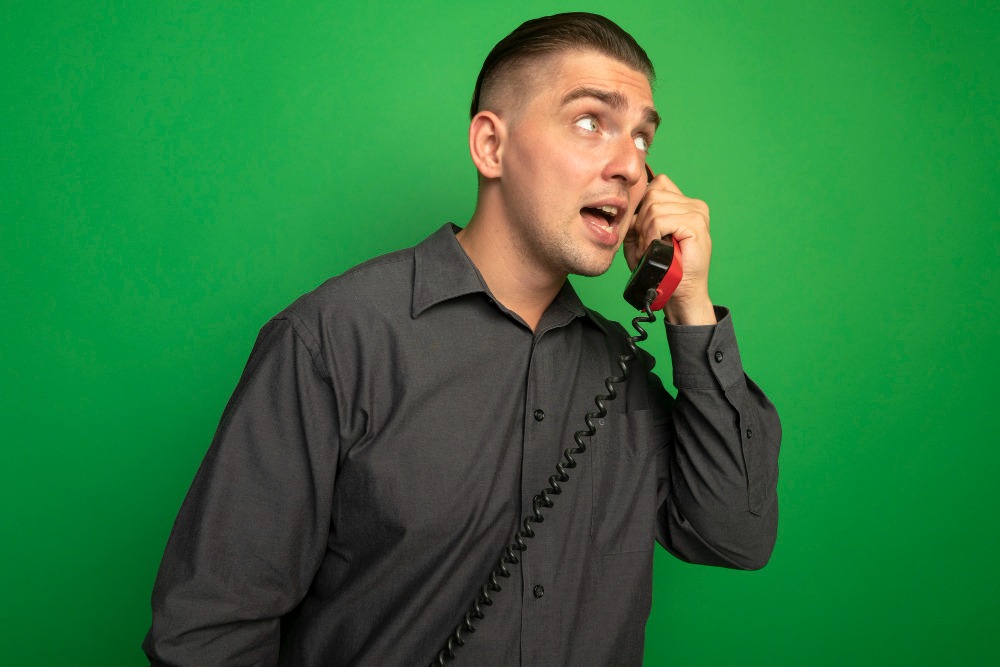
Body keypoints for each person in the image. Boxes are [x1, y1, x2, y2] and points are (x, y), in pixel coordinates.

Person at [143, 12, 780, 666]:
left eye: (643, 139)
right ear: (491, 147)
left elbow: (736, 534)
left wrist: (688, 303)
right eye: (591, 122)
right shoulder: (332, 342)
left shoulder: (621, 372)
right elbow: (207, 635)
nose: (629, 166)